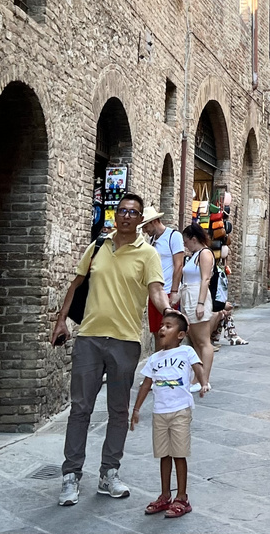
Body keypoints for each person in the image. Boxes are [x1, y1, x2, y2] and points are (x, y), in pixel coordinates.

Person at [51, 193, 169, 507]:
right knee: (80, 409)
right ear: (116, 215)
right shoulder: (97, 247)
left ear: (140, 218)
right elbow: (76, 285)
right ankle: (71, 475)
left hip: (125, 341)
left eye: (134, 212)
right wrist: (61, 321)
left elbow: (156, 291)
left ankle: (109, 473)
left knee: (118, 411)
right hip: (89, 337)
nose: (127, 216)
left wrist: (170, 313)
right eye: (123, 211)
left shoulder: (148, 254)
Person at [130, 310, 209, 517]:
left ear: (181, 335)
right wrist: (136, 409)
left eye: (168, 326)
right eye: (162, 325)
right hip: (160, 412)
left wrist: (203, 383)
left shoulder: (186, 352)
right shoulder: (154, 358)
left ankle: (182, 497)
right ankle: (165, 495)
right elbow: (146, 384)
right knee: (164, 455)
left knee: (179, 454)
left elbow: (198, 367)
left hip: (180, 411)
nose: (162, 329)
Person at [139, 207, 185, 349]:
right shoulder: (152, 241)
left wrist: (175, 291)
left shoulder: (173, 236)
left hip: (168, 291)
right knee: (156, 332)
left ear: (154, 221)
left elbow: (179, 265)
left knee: (169, 334)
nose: (145, 230)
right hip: (155, 292)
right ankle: (159, 362)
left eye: (146, 226)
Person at [180, 223, 216, 380]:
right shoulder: (194, 255)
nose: (185, 245)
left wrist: (200, 303)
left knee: (203, 341)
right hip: (189, 295)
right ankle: (197, 376)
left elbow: (205, 278)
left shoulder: (205, 253)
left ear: (193, 239)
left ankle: (204, 378)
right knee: (194, 341)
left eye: (186, 241)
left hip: (197, 296)